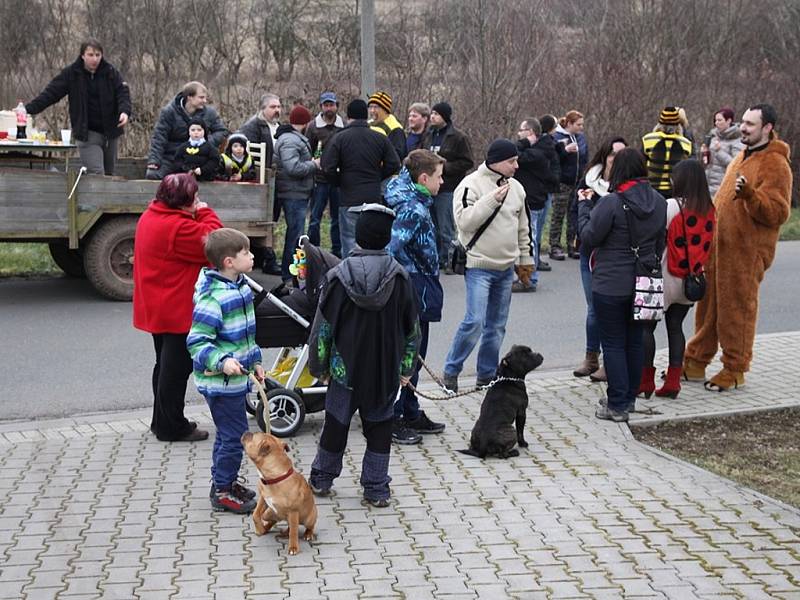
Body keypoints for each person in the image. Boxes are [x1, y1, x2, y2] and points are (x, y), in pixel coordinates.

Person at [308, 204, 420, 507]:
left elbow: (323, 328)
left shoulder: (337, 276)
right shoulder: (400, 278)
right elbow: (412, 329)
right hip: (384, 370)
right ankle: (376, 487)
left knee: (336, 424)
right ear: (387, 237)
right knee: (380, 428)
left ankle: (321, 478)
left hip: (344, 369)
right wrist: (407, 367)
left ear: (358, 236)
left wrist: (319, 366)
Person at [683, 104, 793, 391]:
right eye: (743, 122)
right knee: (708, 308)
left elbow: (778, 212)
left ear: (767, 128)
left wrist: (751, 196)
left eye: (750, 124)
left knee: (737, 310)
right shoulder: (743, 156)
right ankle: (696, 360)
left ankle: (735, 368)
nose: (743, 128)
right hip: (719, 248)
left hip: (746, 252)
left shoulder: (775, 164)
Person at [578, 148, 666, 422]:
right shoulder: (660, 202)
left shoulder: (611, 203)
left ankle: (616, 404)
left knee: (613, 344)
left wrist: (583, 208)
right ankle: (627, 398)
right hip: (644, 282)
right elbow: (659, 244)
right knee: (634, 343)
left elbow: (589, 237)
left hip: (611, 283)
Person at [133, 173, 222, 441]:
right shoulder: (178, 228)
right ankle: (171, 427)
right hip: (175, 308)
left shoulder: (152, 216)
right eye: (194, 197)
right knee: (176, 370)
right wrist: (206, 213)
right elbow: (216, 242)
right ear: (182, 202)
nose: (198, 201)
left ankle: (161, 420)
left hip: (158, 304)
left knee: (164, 366)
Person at [441, 140, 535, 392]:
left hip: (505, 268)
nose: (516, 165)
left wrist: (525, 259)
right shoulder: (470, 185)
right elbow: (464, 223)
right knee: (474, 321)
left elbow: (524, 227)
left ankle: (486, 375)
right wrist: (491, 200)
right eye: (511, 161)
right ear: (496, 161)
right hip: (479, 266)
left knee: (496, 326)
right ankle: (451, 371)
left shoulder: (517, 188)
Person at [186, 228, 264, 514]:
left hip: (237, 378)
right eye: (245, 252)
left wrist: (255, 361)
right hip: (220, 382)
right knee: (235, 436)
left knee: (228, 433)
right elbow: (197, 342)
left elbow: (247, 335)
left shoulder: (242, 287)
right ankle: (223, 490)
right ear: (229, 262)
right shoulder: (213, 298)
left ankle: (223, 481)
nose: (252, 255)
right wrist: (222, 362)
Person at [385, 149, 448, 445]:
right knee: (410, 354)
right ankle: (393, 417)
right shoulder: (412, 208)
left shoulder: (417, 201)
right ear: (423, 178)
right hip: (415, 285)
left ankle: (410, 409)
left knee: (416, 352)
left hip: (422, 281)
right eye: (439, 176)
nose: (442, 182)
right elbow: (392, 247)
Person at [640, 159, 715, 399]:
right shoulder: (709, 209)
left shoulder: (671, 206)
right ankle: (673, 381)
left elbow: (654, 235)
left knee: (646, 328)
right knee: (676, 328)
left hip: (666, 275)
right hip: (692, 279)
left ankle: (645, 381)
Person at [24, 38, 131, 175]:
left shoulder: (110, 72)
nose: (95, 59)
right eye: (90, 55)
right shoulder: (72, 74)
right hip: (87, 133)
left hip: (110, 132)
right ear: (82, 56)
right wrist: (27, 110)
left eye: (98, 55)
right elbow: (50, 94)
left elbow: (122, 92)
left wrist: (124, 112)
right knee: (97, 174)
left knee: (109, 174)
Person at [572, 137, 628, 380]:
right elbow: (575, 212)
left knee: (608, 308)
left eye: (622, 155)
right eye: (613, 154)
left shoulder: (625, 187)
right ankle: (591, 356)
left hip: (612, 255)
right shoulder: (588, 181)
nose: (616, 159)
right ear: (604, 156)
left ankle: (609, 360)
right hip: (589, 251)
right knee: (593, 307)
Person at [321, 99, 401, 257]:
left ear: (348, 117)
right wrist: (378, 176)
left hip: (348, 197)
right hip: (372, 195)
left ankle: (351, 277)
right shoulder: (379, 138)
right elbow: (394, 163)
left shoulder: (340, 138)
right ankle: (372, 275)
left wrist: (339, 181)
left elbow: (327, 166)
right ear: (366, 116)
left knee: (349, 240)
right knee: (371, 240)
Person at [422, 102, 474, 271]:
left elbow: (467, 162)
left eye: (436, 114)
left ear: (445, 116)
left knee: (446, 228)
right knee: (432, 226)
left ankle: (449, 259)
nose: (432, 117)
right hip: (428, 187)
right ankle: (435, 258)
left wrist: (445, 166)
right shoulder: (428, 134)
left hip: (448, 187)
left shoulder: (458, 137)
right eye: (432, 113)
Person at [513, 117, 559, 293]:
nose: (519, 134)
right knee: (530, 239)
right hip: (535, 197)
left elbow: (514, 153)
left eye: (522, 131)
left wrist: (524, 142)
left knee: (528, 240)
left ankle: (529, 278)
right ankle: (527, 275)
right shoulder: (543, 147)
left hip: (532, 200)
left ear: (531, 133)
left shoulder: (538, 152)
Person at [274, 105, 319, 282]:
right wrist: (314, 164)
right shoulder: (291, 141)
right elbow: (293, 167)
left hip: (296, 192)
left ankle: (293, 274)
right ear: (305, 122)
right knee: (295, 235)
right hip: (293, 194)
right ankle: (290, 275)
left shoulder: (291, 138)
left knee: (295, 233)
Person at [146, 81, 228, 180]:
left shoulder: (209, 113)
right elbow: (159, 137)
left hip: (200, 157)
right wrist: (154, 160)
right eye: (201, 97)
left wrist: (206, 142)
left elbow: (222, 131)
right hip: (172, 156)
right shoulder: (169, 112)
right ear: (190, 97)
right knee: (152, 175)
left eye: (205, 98)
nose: (205, 101)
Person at [306, 92, 344, 257]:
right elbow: (307, 150)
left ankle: (337, 251)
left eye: (332, 105)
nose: (329, 108)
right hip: (319, 178)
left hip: (337, 178)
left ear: (337, 106)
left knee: (337, 218)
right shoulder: (313, 126)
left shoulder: (344, 125)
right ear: (321, 106)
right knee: (315, 217)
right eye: (326, 105)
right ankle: (314, 251)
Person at [549, 110, 588, 260]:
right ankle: (555, 246)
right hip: (562, 182)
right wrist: (564, 151)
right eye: (578, 124)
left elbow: (585, 158)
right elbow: (553, 159)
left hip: (577, 182)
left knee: (574, 214)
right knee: (558, 215)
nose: (581, 127)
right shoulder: (557, 137)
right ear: (570, 123)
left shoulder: (581, 138)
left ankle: (571, 244)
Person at [641, 107, 692, 198]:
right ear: (678, 125)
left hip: (651, 191)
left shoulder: (647, 140)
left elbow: (641, 166)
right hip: (676, 192)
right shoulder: (686, 143)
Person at [536, 114, 562, 272]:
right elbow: (549, 167)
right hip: (544, 190)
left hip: (545, 188)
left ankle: (536, 258)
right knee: (537, 226)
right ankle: (535, 259)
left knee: (538, 226)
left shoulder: (550, 143)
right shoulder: (546, 144)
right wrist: (554, 179)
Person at [703, 107, 744, 198]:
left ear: (729, 120)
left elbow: (736, 164)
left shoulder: (737, 140)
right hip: (708, 185)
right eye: (715, 120)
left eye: (719, 120)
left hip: (723, 187)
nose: (716, 123)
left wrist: (719, 151)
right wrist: (705, 153)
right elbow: (708, 163)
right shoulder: (713, 137)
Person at [239, 92, 282, 168]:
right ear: (262, 108)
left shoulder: (279, 125)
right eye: (273, 107)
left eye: (279, 107)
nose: (277, 110)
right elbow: (250, 155)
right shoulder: (252, 127)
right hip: (263, 171)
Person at [369, 91, 407, 161]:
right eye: (370, 107)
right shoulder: (369, 124)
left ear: (385, 110)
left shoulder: (395, 129)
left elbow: (397, 156)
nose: (372, 111)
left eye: (376, 107)